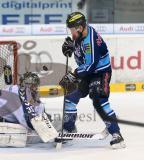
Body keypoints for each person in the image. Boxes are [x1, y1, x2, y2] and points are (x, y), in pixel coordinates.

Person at [59, 12, 126, 149]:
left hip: (100, 73)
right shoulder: (81, 34)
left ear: (80, 27)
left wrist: (73, 74)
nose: (71, 32)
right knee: (70, 99)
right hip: (88, 73)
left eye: (72, 29)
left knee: (99, 100)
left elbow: (91, 65)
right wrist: (71, 47)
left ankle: (117, 135)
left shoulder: (90, 41)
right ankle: (69, 129)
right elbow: (81, 53)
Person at [0, 72, 58, 147]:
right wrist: (47, 132)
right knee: (29, 124)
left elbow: (38, 110)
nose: (35, 88)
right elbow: (26, 119)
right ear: (27, 85)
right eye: (33, 85)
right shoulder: (18, 93)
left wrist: (45, 120)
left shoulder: (23, 91)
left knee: (39, 119)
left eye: (36, 85)